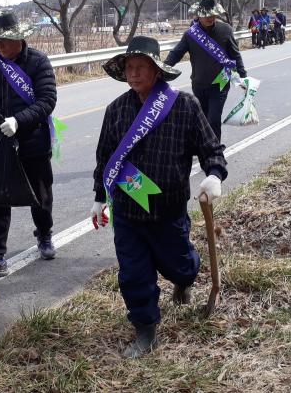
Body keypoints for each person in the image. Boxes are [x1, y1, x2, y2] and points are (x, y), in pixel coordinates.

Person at [90, 36, 228, 358]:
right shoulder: (116, 111)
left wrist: (213, 174)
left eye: (141, 67)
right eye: (129, 68)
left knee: (180, 266)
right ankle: (146, 330)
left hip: (168, 210)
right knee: (133, 273)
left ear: (157, 72)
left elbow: (212, 149)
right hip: (128, 212)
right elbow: (105, 159)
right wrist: (100, 196)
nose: (134, 74)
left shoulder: (184, 106)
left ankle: (184, 280)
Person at [0, 9, 58, 277]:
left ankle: (44, 235)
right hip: (1, 144)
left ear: (19, 38)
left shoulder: (38, 62)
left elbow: (47, 101)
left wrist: (19, 121)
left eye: (4, 41)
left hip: (32, 141)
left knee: (40, 196)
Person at [163, 0, 247, 141]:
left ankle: (215, 152)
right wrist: (162, 71)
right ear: (198, 15)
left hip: (220, 83)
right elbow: (176, 54)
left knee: (214, 119)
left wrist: (243, 76)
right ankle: (205, 146)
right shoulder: (191, 34)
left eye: (213, 15)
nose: (210, 18)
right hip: (198, 84)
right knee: (202, 119)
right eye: (206, 15)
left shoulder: (225, 30)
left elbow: (235, 54)